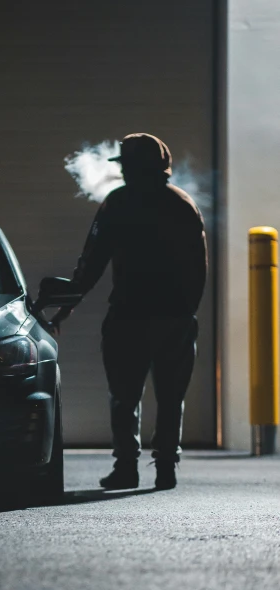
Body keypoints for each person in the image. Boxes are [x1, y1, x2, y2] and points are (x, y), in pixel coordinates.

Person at [51, 133, 207, 490]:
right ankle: (166, 467)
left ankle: (126, 468)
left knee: (124, 396)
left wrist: (65, 308)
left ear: (132, 168)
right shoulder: (184, 205)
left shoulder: (117, 204)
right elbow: (199, 268)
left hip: (129, 316)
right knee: (170, 397)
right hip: (174, 318)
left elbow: (90, 265)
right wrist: (184, 313)